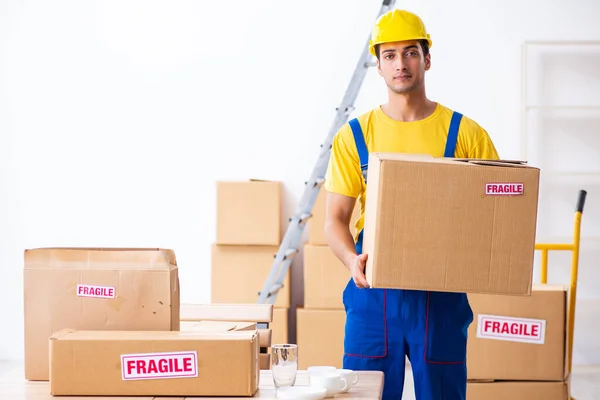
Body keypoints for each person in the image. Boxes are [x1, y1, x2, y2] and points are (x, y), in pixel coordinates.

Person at [323, 9, 500, 400]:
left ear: (427, 58)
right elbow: (334, 220)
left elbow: (497, 217)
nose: (400, 64)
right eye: (389, 55)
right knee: (365, 395)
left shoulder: (466, 134)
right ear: (379, 64)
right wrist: (352, 261)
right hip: (374, 292)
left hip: (440, 295)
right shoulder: (355, 136)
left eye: (410, 52)